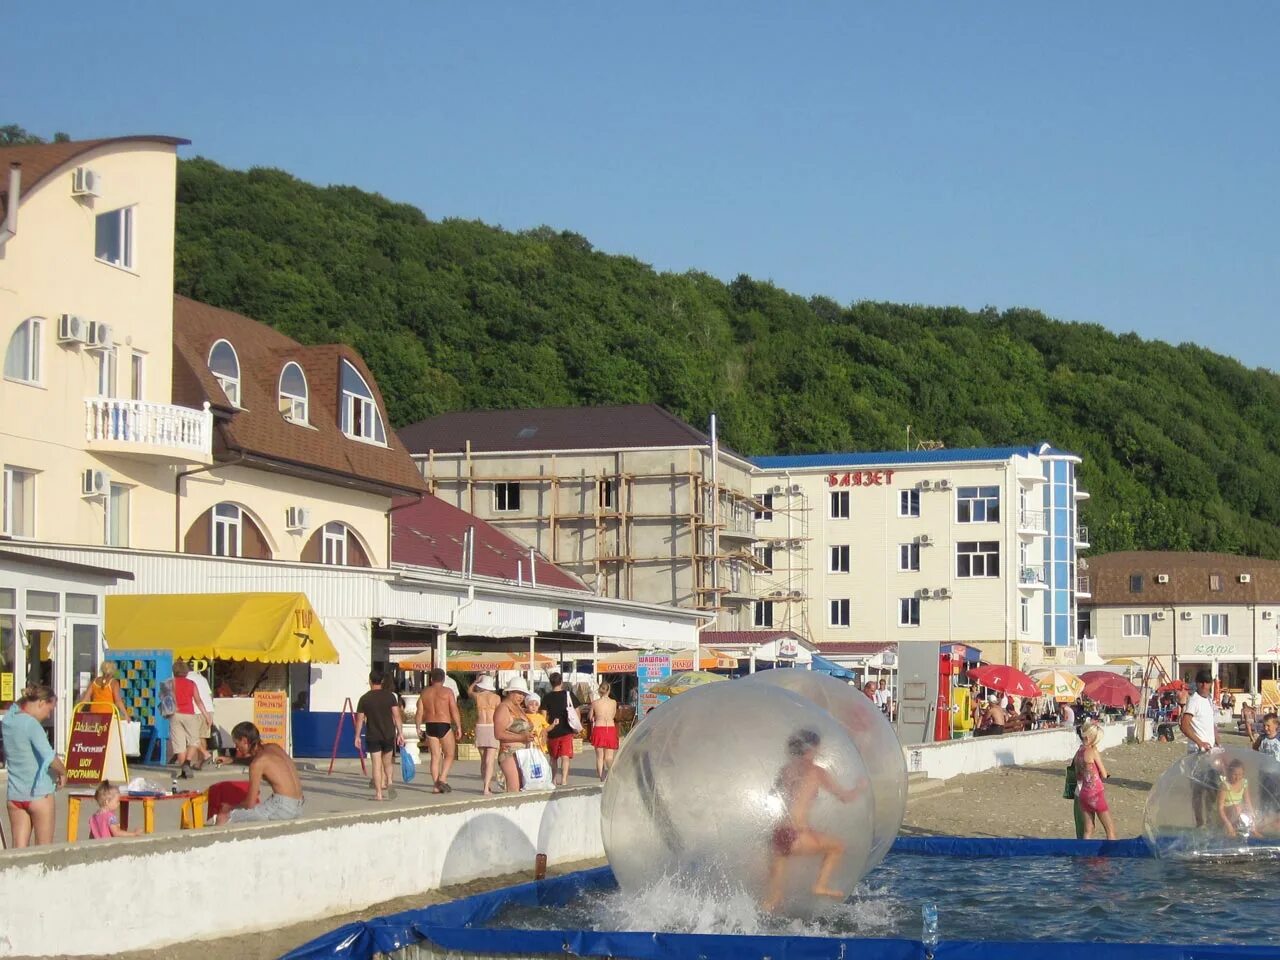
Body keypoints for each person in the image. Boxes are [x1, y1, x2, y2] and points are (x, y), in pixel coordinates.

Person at [762, 729, 863, 913]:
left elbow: (773, 797)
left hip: (777, 835)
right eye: (816, 749)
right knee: (837, 847)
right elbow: (844, 797)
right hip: (796, 835)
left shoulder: (785, 770)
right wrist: (859, 788)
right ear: (811, 749)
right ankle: (820, 885)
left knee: (774, 898)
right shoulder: (816, 772)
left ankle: (749, 927)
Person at [5, 685, 65, 848]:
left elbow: (15, 705)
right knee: (43, 851)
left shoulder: (9, 720)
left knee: (18, 852)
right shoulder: (31, 725)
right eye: (49, 708)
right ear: (40, 703)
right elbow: (49, 756)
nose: (48, 715)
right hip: (39, 795)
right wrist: (64, 772)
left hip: (15, 795)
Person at [213, 721, 305, 823]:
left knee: (223, 817)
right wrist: (232, 760)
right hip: (299, 806)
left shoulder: (257, 764)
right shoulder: (274, 748)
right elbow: (261, 761)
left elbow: (250, 804)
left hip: (282, 808)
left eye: (236, 744)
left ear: (244, 740)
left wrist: (229, 807)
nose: (236, 748)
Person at [355, 670, 403, 801]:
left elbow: (359, 719)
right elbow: (397, 716)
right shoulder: (390, 697)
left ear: (370, 681)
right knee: (387, 763)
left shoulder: (364, 698)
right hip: (388, 734)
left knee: (376, 765)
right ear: (382, 681)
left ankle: (379, 794)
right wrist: (400, 734)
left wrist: (357, 736)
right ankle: (390, 783)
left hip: (373, 735)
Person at [1181, 670, 1219, 828]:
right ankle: (1199, 823)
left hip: (1210, 752)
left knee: (1213, 789)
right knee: (1198, 790)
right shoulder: (1194, 700)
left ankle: (1209, 820)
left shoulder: (1209, 700)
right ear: (1197, 683)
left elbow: (1211, 725)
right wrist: (1199, 742)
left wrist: (1217, 742)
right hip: (1197, 753)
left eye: (1207, 682)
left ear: (1211, 683)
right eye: (1201, 682)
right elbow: (1184, 725)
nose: (1204, 685)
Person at [415, 668, 461, 794]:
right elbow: (454, 710)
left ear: (431, 679)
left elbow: (419, 712)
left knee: (435, 757)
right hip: (443, 724)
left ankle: (436, 786)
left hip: (430, 725)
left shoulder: (425, 692)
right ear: (443, 679)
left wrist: (418, 727)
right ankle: (442, 779)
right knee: (450, 754)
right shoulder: (447, 692)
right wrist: (459, 726)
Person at [1073, 721, 1117, 840]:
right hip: (1096, 793)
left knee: (1088, 829)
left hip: (1083, 794)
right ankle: (1111, 855)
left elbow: (1078, 775)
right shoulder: (1092, 752)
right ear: (1090, 737)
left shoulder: (1078, 753)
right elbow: (1103, 773)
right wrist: (1106, 774)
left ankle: (1084, 854)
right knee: (1110, 829)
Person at [170, 660, 213, 779]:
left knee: (179, 745)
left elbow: (165, 699)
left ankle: (183, 771)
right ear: (186, 671)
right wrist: (206, 715)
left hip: (175, 715)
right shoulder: (191, 683)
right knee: (194, 741)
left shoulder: (170, 683)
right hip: (189, 714)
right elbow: (198, 701)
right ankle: (187, 763)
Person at [494, 677, 534, 793]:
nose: (521, 697)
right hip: (509, 752)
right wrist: (522, 737)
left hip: (523, 752)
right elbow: (498, 733)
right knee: (514, 787)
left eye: (523, 694)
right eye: (518, 693)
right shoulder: (503, 708)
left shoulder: (518, 708)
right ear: (510, 692)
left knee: (523, 787)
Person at [541, 672, 581, 787]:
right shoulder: (569, 695)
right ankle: (563, 780)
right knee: (565, 757)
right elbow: (577, 712)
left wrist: (546, 730)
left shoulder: (547, 697)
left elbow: (543, 717)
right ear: (561, 682)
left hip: (553, 731)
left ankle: (553, 779)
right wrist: (575, 727)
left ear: (550, 683)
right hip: (567, 730)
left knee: (553, 758)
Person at [470, 675, 502, 795]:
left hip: (480, 727)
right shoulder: (496, 698)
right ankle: (486, 787)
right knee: (490, 760)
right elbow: (499, 715)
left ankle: (486, 785)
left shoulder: (478, 696)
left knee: (483, 760)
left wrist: (475, 681)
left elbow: (469, 691)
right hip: (492, 727)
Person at [1217, 758, 1263, 839]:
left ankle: (1251, 829)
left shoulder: (1244, 783)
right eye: (1234, 774)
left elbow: (1248, 802)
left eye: (1240, 774)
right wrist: (1228, 825)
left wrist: (1253, 819)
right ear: (1229, 773)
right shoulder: (1225, 785)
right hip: (1227, 813)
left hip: (1238, 811)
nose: (1237, 777)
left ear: (1243, 773)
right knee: (1237, 807)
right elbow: (1220, 809)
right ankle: (1233, 828)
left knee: (1248, 810)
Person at [589, 681, 620, 781]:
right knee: (609, 757)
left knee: (599, 757)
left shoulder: (595, 703)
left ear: (600, 690)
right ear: (609, 690)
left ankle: (602, 778)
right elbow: (613, 715)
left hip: (599, 728)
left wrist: (591, 706)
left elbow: (590, 717)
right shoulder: (613, 702)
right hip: (610, 728)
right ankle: (612, 775)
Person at [187, 664, 217, 766]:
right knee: (202, 737)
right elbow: (209, 694)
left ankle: (202, 756)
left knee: (192, 737)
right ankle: (200, 762)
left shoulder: (186, 678)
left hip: (195, 710)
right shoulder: (202, 678)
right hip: (208, 710)